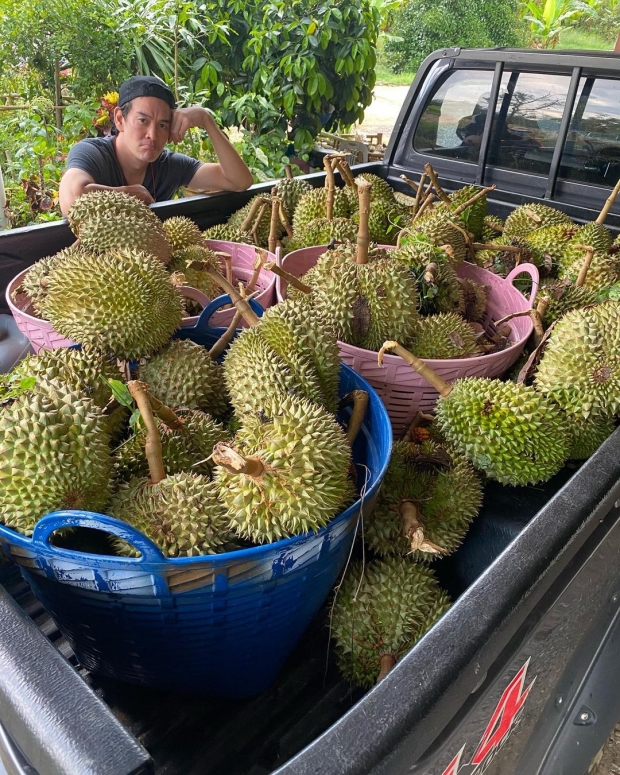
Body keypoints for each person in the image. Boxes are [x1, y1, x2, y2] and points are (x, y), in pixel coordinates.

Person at [58, 75, 253, 215]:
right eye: (143, 121)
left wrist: (206, 119)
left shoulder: (169, 166)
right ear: (119, 119)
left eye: (162, 125)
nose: (152, 135)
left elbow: (239, 181)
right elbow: (72, 199)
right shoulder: (93, 153)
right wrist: (131, 194)